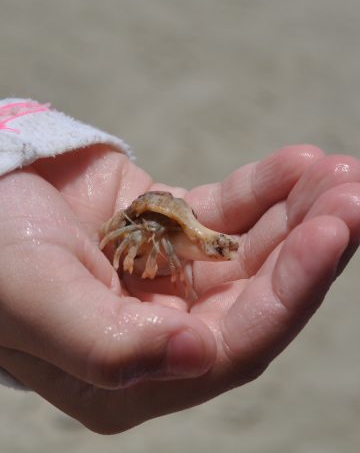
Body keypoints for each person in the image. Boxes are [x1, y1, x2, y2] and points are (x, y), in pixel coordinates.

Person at [0, 100, 359, 434]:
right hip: (146, 219)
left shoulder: (170, 234)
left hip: (164, 223)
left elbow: (171, 245)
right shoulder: (139, 226)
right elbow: (124, 228)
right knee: (147, 236)